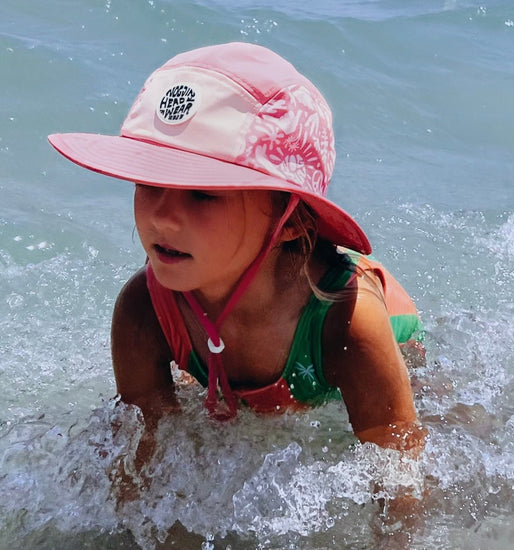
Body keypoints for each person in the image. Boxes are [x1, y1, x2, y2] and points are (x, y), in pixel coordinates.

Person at [48, 42, 425, 454]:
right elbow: (146, 462)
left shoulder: (348, 321)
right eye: (151, 183)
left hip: (389, 343)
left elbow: (400, 478)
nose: (162, 218)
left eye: (203, 194)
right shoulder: (144, 313)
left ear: (290, 221)